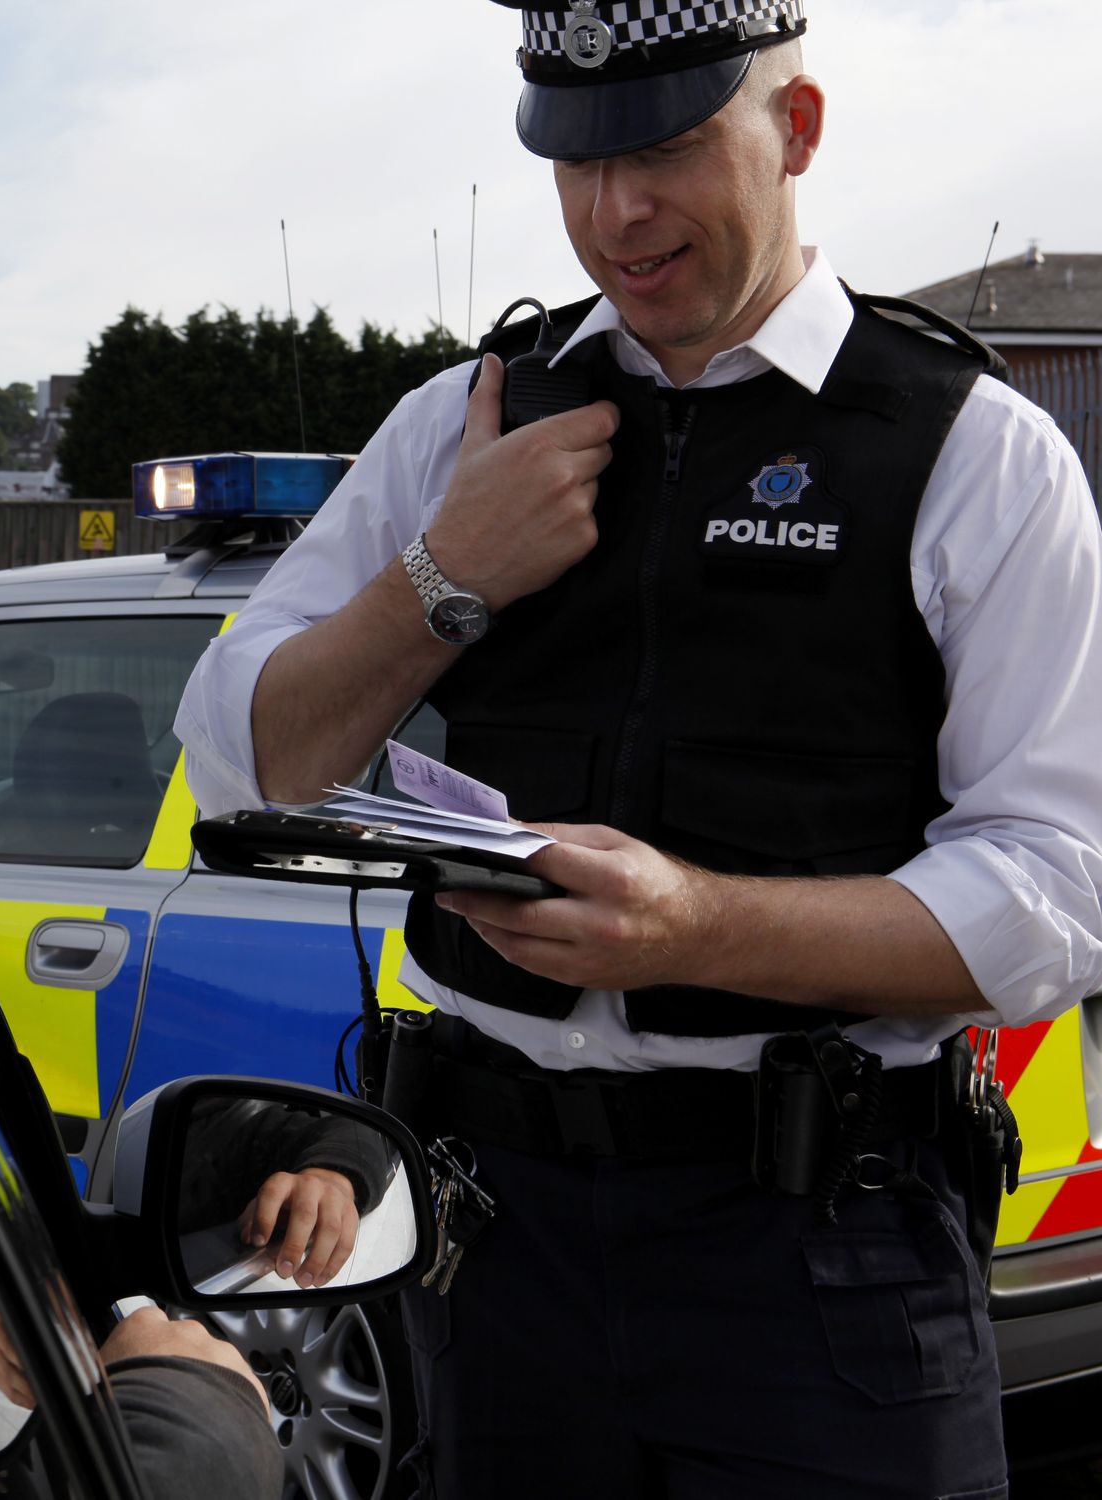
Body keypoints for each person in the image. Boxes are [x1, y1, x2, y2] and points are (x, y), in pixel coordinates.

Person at [174, 3, 1102, 1496]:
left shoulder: (973, 452)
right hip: (495, 1241)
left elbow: (1063, 890)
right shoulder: (461, 427)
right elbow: (242, 759)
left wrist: (698, 924)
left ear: (795, 132)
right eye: (575, 157)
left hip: (822, 1252)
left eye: (665, 147)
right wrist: (444, 577)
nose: (616, 213)